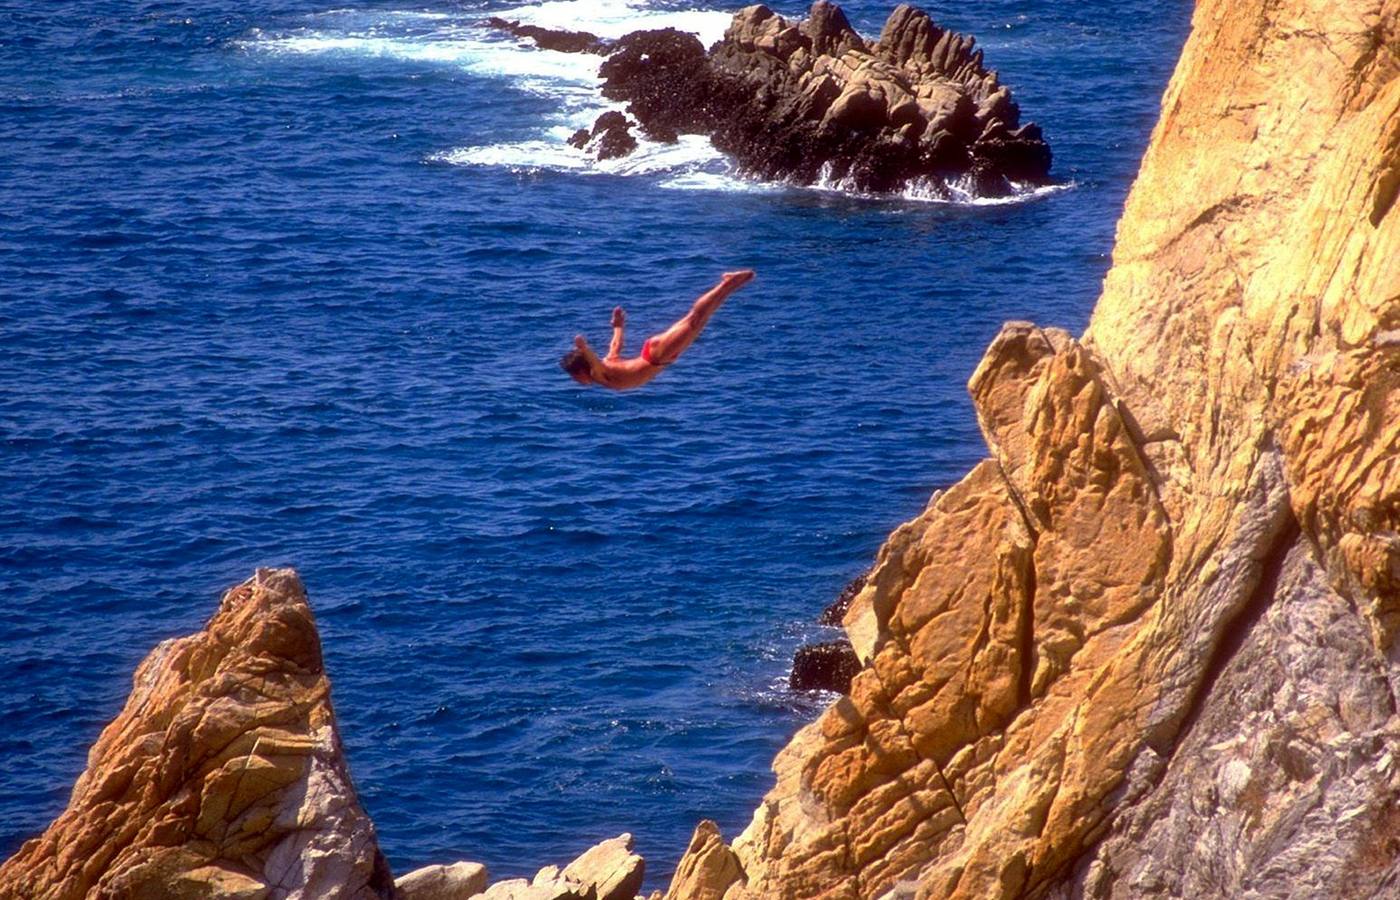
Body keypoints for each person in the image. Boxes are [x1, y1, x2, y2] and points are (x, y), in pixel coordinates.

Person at [560, 270, 755, 390]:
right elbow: (615, 346)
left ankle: (727, 283)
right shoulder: (607, 365)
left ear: (582, 370)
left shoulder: (600, 373)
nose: (575, 380)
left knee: (695, 320)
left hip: (657, 355)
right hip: (659, 355)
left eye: (574, 375)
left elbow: (595, 362)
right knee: (699, 320)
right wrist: (618, 326)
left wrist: (584, 348)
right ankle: (732, 284)